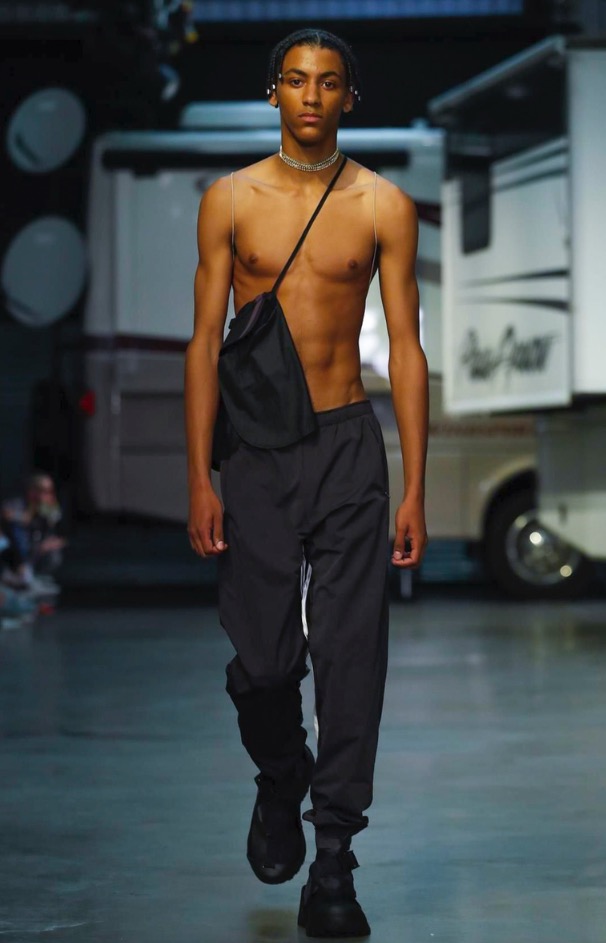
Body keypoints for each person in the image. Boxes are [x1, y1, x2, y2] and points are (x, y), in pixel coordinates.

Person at [185, 28, 428, 939]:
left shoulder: (383, 204)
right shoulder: (230, 200)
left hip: (347, 442)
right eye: (296, 81)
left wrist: (413, 484)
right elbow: (202, 343)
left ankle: (333, 860)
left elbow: (406, 346)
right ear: (274, 94)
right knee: (262, 661)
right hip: (255, 452)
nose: (312, 96)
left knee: (352, 653)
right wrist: (198, 475)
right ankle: (281, 772)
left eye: (328, 82)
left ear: (349, 97)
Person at [1, 472, 65, 599]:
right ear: (31, 490)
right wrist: (23, 517)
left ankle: (28, 577)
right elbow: (6, 515)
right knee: (14, 530)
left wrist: (50, 542)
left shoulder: (49, 507)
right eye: (42, 490)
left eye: (49, 490)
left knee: (53, 555)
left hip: (36, 548)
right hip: (13, 549)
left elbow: (60, 534)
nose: (46, 494)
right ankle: (23, 575)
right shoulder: (18, 503)